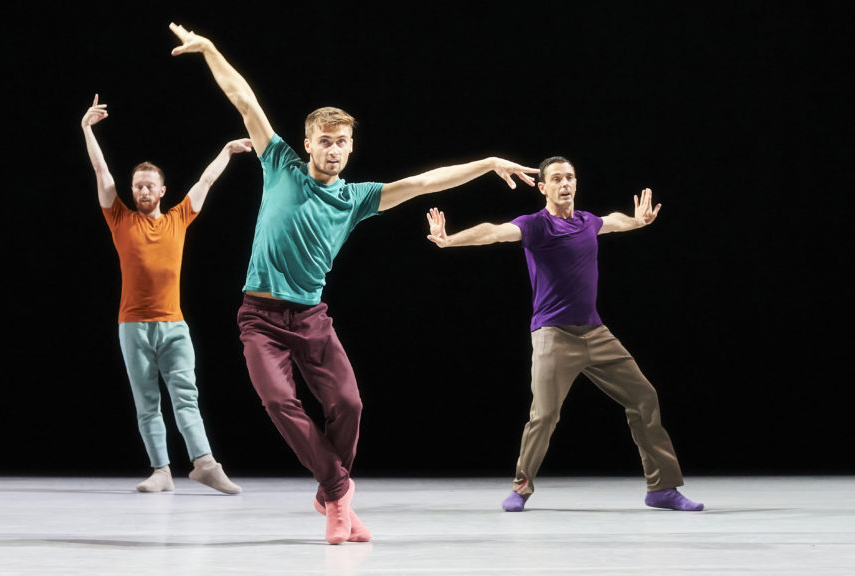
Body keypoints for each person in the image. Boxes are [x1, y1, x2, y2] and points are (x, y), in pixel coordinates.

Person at [167, 22, 539, 544]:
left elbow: (423, 182)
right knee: (278, 401)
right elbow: (243, 99)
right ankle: (339, 492)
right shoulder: (280, 165)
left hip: (311, 317)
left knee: (350, 404)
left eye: (342, 142)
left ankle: (330, 492)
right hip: (260, 316)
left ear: (350, 146)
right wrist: (209, 48)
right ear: (308, 144)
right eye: (325, 141)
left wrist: (488, 163)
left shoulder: (356, 197)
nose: (334, 150)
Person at [425, 156, 704, 512]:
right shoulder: (536, 226)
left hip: (595, 332)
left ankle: (662, 489)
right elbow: (494, 231)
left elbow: (613, 222)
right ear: (543, 187)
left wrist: (637, 221)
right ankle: (521, 488)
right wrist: (451, 240)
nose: (564, 183)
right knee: (544, 415)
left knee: (644, 397)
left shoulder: (587, 222)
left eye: (569, 177)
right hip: (553, 335)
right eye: (556, 178)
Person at [81, 93, 250, 495]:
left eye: (149, 185)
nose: (141, 190)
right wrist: (86, 129)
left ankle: (205, 463)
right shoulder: (119, 218)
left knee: (185, 396)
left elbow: (206, 180)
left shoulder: (178, 218)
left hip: (173, 326)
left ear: (161, 190)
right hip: (132, 327)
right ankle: (161, 471)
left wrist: (227, 149)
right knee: (147, 403)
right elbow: (103, 174)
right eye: (137, 185)